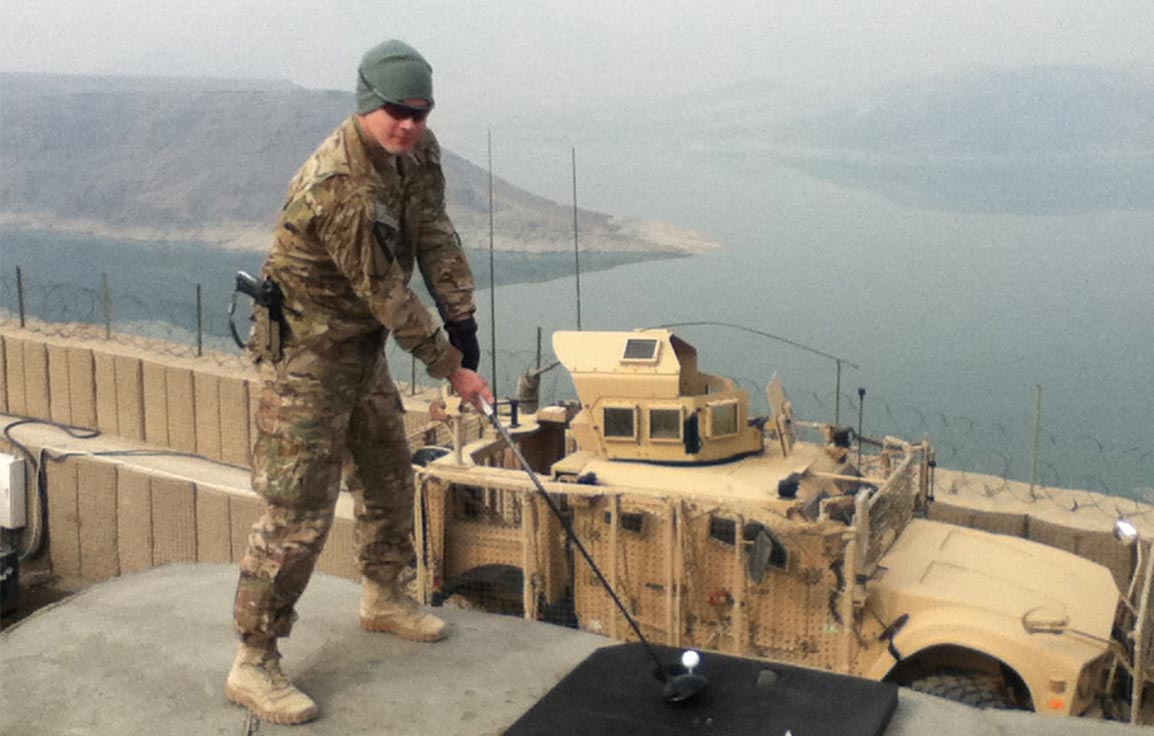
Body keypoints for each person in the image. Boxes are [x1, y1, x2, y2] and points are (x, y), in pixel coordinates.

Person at [226, 39, 492, 725]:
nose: (409, 124)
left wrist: (463, 321)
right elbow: (387, 294)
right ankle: (254, 660)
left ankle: (384, 597)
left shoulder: (415, 154)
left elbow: (433, 230)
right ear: (367, 103)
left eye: (421, 113)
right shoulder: (338, 184)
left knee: (386, 473)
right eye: (397, 112)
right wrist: (450, 366)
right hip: (308, 360)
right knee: (297, 515)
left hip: (360, 348)